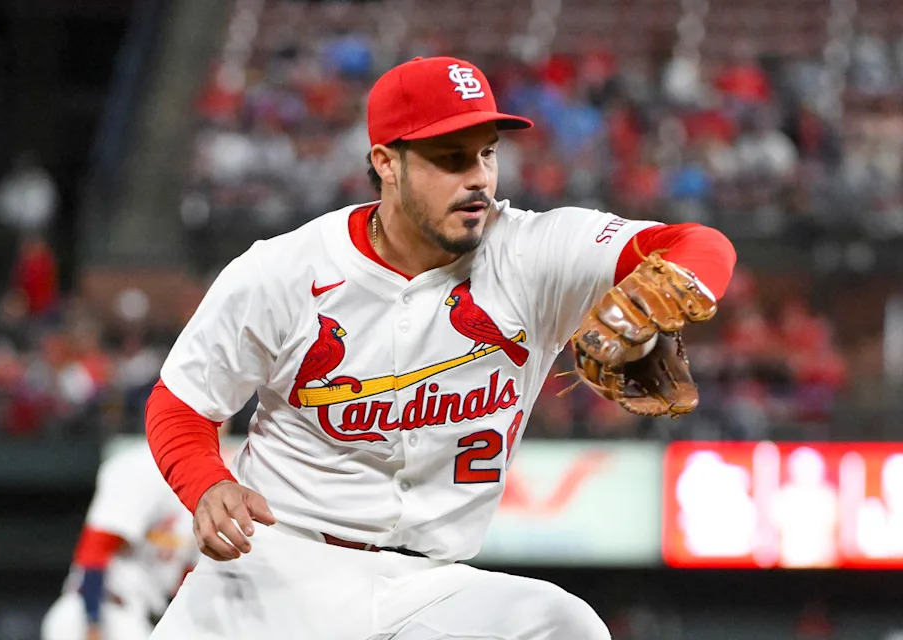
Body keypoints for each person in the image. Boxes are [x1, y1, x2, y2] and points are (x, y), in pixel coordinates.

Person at [145, 56, 736, 639]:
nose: (477, 177)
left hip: (426, 587)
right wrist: (208, 484)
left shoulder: (533, 253)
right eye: (451, 159)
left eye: (486, 153)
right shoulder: (284, 269)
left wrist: (681, 287)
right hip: (275, 567)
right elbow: (181, 404)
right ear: (387, 163)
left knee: (565, 626)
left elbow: (696, 243)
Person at [41, 440, 198, 640]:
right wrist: (93, 623)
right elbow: (95, 549)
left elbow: (188, 579)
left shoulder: (208, 483)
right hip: (99, 613)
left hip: (135, 616)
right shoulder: (142, 466)